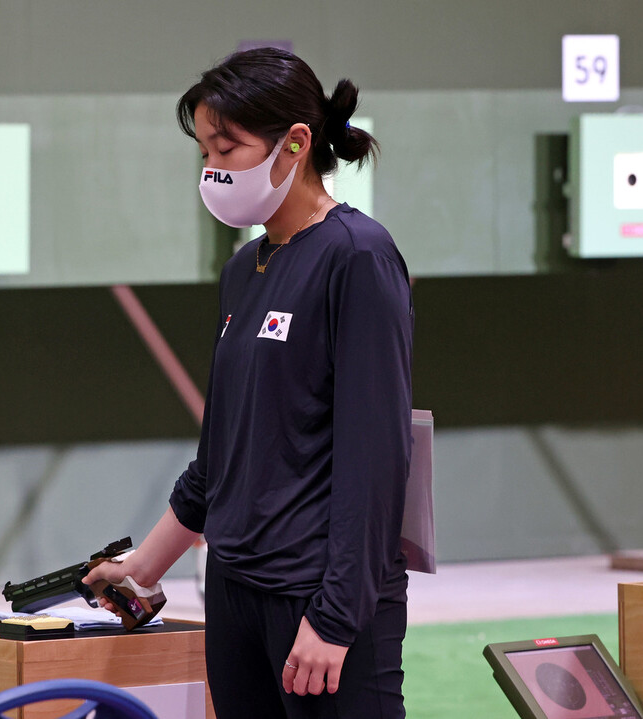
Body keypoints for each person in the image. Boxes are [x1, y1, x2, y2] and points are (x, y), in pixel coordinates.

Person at [84, 47, 414, 719]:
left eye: (226, 148)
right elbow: (219, 459)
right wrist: (144, 568)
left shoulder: (358, 257)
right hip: (234, 593)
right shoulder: (243, 272)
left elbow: (374, 459)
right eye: (205, 150)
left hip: (318, 600)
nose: (212, 168)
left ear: (294, 144)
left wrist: (336, 617)